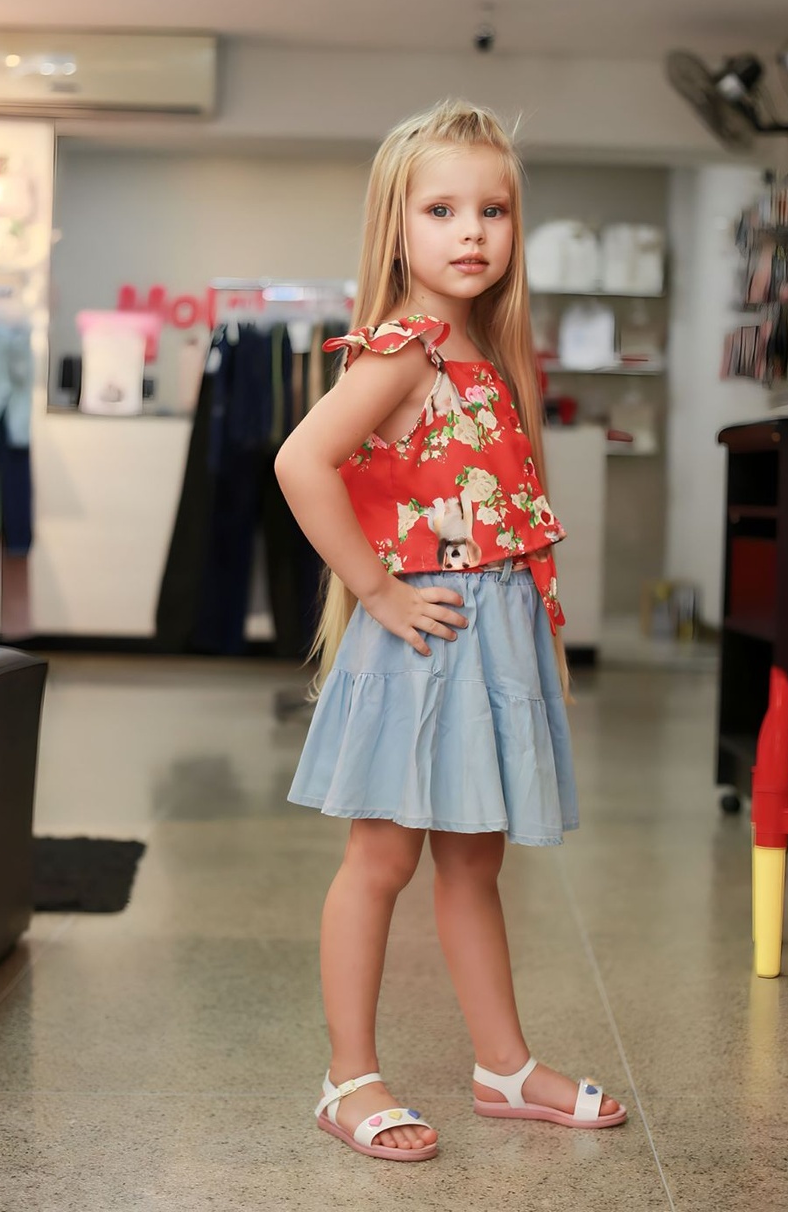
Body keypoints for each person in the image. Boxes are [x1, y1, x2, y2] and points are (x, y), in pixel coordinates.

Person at [274, 100, 626, 1163]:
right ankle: (348, 1075)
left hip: (489, 639)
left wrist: (537, 634)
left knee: (474, 861)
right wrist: (377, 590)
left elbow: (505, 509)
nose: (471, 231)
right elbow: (300, 461)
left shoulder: (487, 351)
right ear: (395, 226)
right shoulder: (405, 349)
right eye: (441, 210)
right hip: (422, 639)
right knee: (381, 858)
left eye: (493, 210)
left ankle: (502, 1064)